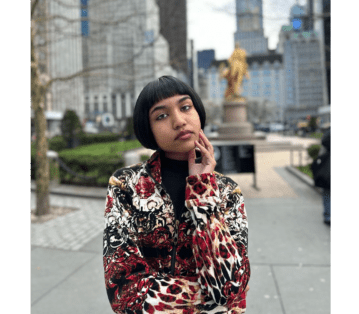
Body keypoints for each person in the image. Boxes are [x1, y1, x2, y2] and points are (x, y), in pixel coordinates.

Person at [103, 76, 251, 313]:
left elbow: (231, 286)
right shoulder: (127, 186)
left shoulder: (227, 191)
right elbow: (125, 293)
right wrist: (210, 302)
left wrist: (202, 189)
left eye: (185, 107)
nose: (179, 121)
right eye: (161, 116)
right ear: (148, 128)